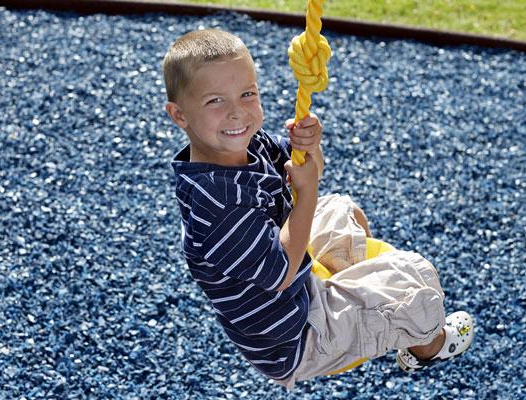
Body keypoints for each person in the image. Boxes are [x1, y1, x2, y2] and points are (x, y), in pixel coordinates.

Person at [163, 28, 474, 389]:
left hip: (301, 286)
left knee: (343, 209)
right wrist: (308, 191)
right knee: (415, 283)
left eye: (247, 94)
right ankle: (426, 348)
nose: (237, 113)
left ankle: (367, 308)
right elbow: (281, 270)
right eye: (215, 101)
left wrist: (310, 146)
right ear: (179, 115)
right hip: (293, 338)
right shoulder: (216, 209)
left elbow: (300, 168)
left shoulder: (246, 147)